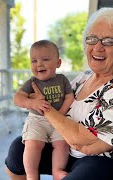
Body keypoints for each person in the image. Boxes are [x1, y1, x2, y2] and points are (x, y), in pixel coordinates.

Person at [5, 7, 113, 180]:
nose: (97, 47)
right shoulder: (83, 78)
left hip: (100, 159)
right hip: (66, 147)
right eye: (92, 39)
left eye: (108, 41)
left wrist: (45, 108)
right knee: (17, 150)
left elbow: (92, 145)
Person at [14, 40, 74, 180]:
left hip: (58, 121)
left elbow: (69, 97)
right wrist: (32, 103)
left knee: (62, 144)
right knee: (33, 144)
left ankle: (57, 171)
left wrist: (60, 115)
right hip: (37, 121)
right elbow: (17, 98)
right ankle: (31, 174)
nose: (39, 64)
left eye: (45, 59)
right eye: (34, 61)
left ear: (58, 63)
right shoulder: (32, 82)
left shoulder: (62, 79)